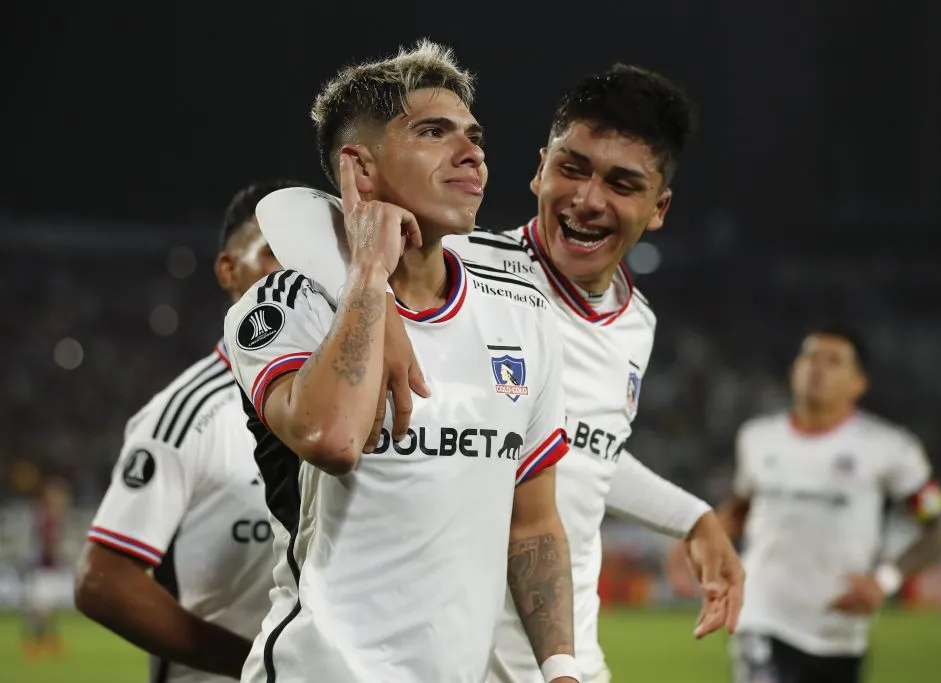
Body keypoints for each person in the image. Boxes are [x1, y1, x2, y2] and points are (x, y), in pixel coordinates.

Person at [223, 40, 579, 683]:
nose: (471, 153)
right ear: (361, 171)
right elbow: (331, 438)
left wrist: (559, 669)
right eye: (433, 132)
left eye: (474, 136)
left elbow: (532, 523)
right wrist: (368, 277)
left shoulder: (521, 314)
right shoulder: (285, 305)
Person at [446, 63, 746, 683]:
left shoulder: (637, 323)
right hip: (456, 664)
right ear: (539, 169)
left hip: (571, 665)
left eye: (622, 183)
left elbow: (584, 454)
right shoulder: (458, 274)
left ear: (658, 207)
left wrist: (693, 516)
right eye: (572, 167)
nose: (586, 200)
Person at [74, 180, 309, 682]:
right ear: (228, 271)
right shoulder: (188, 413)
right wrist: (253, 664)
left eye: (307, 255)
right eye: (273, 254)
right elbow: (103, 580)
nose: (296, 274)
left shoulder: (345, 402)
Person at [705, 324, 941, 683]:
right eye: (810, 357)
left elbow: (940, 529)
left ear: (858, 383)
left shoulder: (891, 448)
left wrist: (884, 582)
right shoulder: (756, 438)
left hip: (841, 631)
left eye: (834, 361)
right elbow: (740, 507)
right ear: (794, 369)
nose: (817, 368)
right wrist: (702, 536)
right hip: (763, 616)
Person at [21, 476, 71, 659]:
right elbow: (47, 544)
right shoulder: (48, 519)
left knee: (46, 608)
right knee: (42, 608)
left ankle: (45, 641)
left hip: (46, 567)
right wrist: (57, 554)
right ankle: (34, 642)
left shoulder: (48, 518)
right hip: (44, 568)